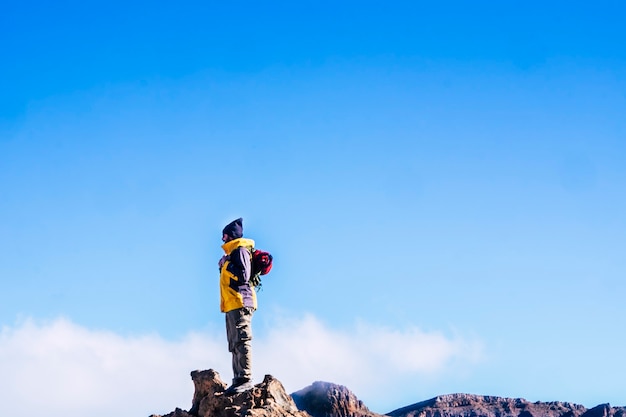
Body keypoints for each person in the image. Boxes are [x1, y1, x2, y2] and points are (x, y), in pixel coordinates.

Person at [218, 218, 257, 395]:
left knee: (242, 340)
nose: (222, 239)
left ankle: (245, 378)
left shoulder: (240, 250)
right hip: (232, 303)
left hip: (241, 301)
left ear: (230, 235)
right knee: (234, 343)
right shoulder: (233, 252)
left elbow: (243, 275)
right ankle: (238, 379)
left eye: (224, 235)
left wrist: (226, 264)